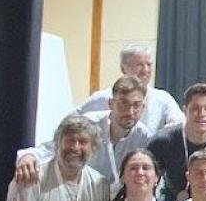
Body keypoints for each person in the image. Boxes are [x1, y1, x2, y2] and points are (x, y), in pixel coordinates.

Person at [17, 75, 150, 188]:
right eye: (123, 103)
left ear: (143, 107)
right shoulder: (87, 124)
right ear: (111, 104)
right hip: (81, 197)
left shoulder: (144, 137)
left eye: (136, 105)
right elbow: (51, 148)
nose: (130, 111)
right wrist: (28, 156)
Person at [75, 43, 182, 131]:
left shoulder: (162, 98)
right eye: (140, 65)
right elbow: (72, 121)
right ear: (123, 68)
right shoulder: (102, 98)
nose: (145, 70)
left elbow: (179, 124)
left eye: (149, 65)